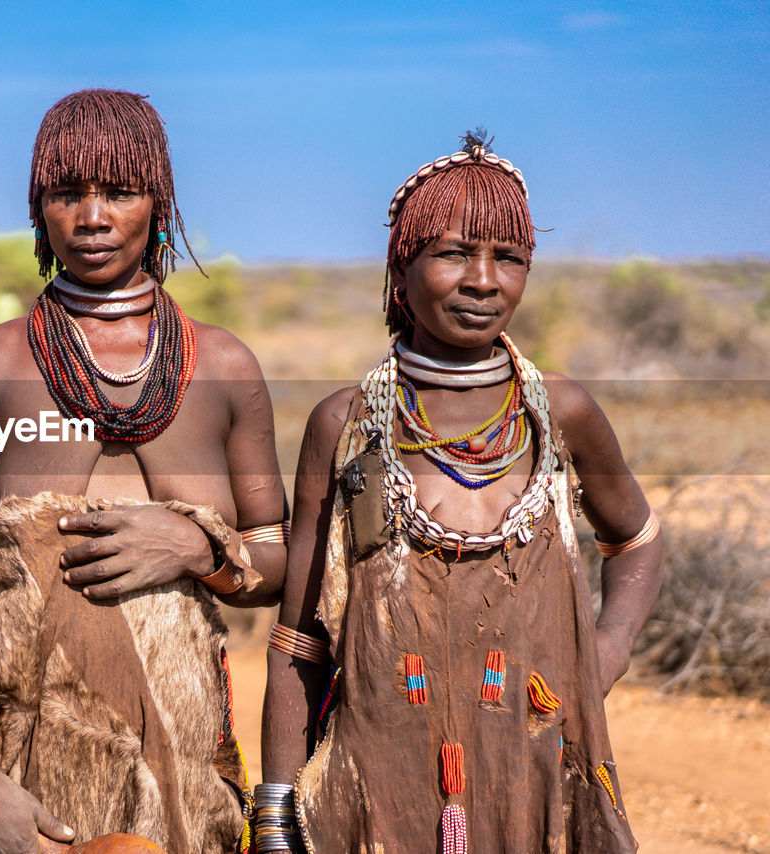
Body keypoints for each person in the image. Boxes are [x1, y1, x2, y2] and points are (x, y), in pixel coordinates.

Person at [257, 131, 663, 853]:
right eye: (452, 253)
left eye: (509, 259)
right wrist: (277, 811)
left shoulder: (557, 414)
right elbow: (299, 639)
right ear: (401, 270)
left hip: (536, 768)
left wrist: (608, 647)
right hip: (378, 779)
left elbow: (635, 538)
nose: (484, 281)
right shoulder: (347, 427)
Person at [0, 89, 288, 854]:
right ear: (37, 208)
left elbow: (282, 564)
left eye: (119, 191)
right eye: (67, 194)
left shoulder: (222, 367)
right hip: (22, 761)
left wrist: (199, 550)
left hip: (189, 772)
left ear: (159, 202)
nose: (92, 217)